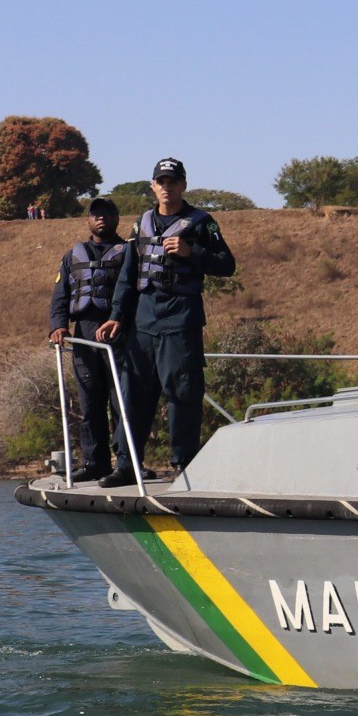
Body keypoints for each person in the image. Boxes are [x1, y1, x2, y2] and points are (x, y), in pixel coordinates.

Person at [107, 157, 236, 485]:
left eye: (173, 181)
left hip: (181, 322)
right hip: (143, 323)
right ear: (153, 187)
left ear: (183, 185)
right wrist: (116, 316)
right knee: (132, 394)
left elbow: (226, 264)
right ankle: (126, 465)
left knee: (182, 394)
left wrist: (191, 252)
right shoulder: (142, 223)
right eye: (161, 182)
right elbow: (128, 275)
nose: (167, 187)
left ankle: (183, 465)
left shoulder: (202, 222)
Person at [47, 197, 135, 483]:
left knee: (122, 401)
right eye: (95, 214)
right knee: (90, 403)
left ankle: (129, 462)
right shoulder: (72, 256)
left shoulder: (129, 252)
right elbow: (59, 297)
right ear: (87, 220)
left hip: (120, 333)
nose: (101, 218)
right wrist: (58, 327)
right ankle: (95, 462)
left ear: (116, 218)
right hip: (84, 335)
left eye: (107, 214)